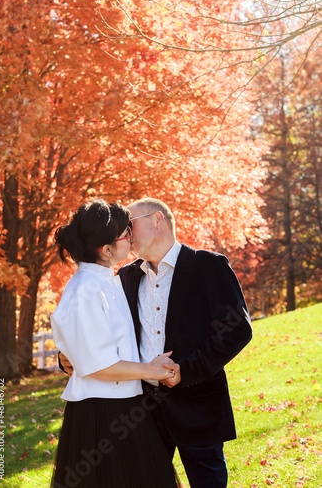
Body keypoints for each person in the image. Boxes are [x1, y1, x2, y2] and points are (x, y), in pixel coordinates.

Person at [60, 197, 253, 488]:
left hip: (198, 405)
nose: (127, 232)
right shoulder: (124, 277)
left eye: (130, 224)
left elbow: (237, 329)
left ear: (157, 220)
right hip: (141, 412)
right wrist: (68, 356)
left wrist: (186, 371)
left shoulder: (208, 266)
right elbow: (98, 330)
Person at [50, 199, 178, 488]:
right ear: (106, 250)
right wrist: (153, 371)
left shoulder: (111, 279)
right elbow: (98, 366)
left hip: (126, 404)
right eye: (126, 234)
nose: (132, 237)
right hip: (101, 416)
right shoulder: (85, 291)